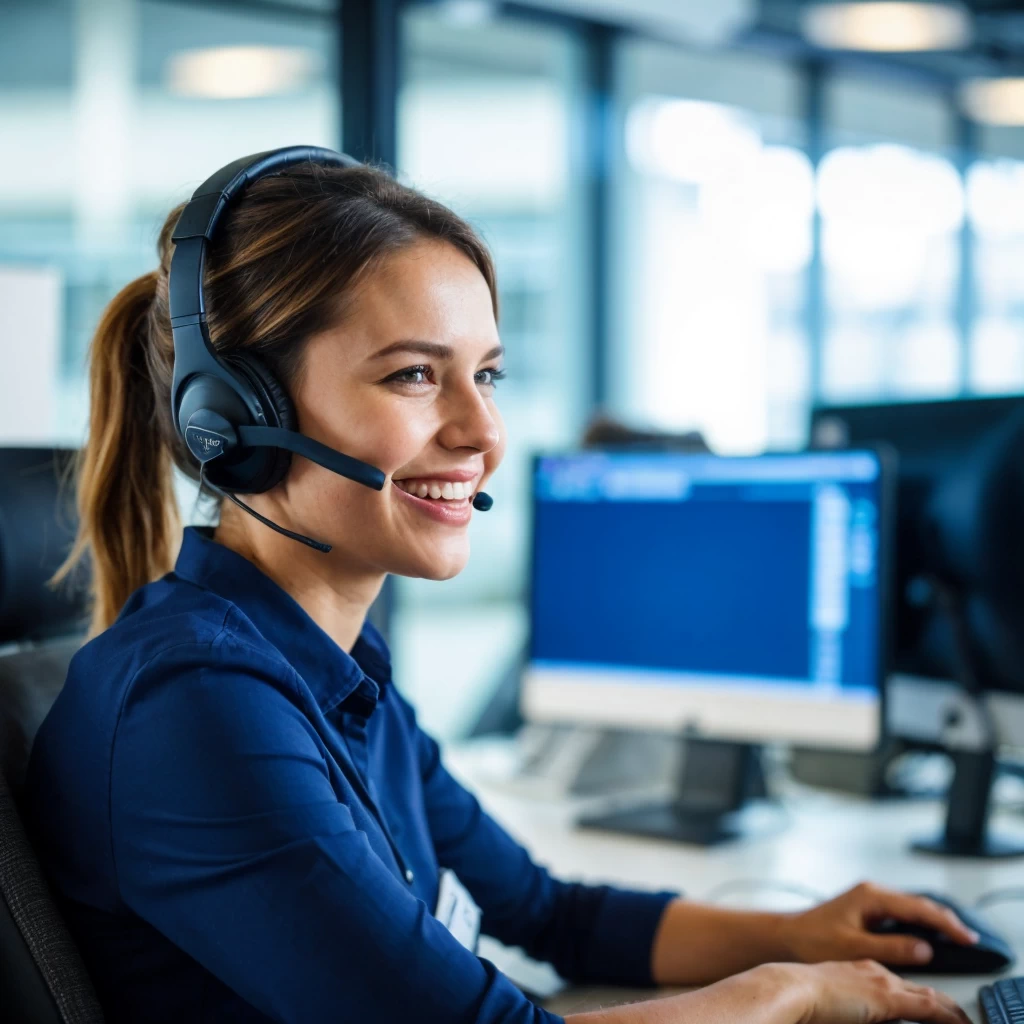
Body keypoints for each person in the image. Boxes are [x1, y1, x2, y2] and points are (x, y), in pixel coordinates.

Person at [26, 156, 974, 1024]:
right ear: (235, 421)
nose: (483, 431)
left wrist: (800, 932)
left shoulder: (330, 673)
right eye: (412, 376)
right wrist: (786, 996)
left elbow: (552, 914)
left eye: (487, 374)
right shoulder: (195, 707)